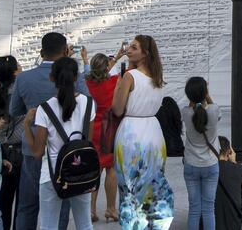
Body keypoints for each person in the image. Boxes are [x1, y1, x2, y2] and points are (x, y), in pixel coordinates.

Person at [9, 32, 89, 230]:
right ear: (65, 51)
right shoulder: (74, 77)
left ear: (41, 51)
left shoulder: (24, 78)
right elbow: (85, 106)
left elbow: (14, 111)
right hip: (65, 150)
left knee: (27, 205)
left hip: (33, 146)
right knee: (61, 204)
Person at [24, 58, 95, 230]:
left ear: (51, 78)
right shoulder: (89, 103)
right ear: (76, 77)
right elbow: (88, 142)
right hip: (81, 172)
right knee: (85, 223)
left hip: (52, 174)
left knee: (49, 225)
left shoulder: (44, 109)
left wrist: (27, 124)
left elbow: (37, 152)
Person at [111, 35, 174, 228]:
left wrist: (118, 85)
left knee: (130, 186)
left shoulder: (130, 76)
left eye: (134, 48)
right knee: (153, 184)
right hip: (154, 133)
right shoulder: (157, 77)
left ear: (145, 54)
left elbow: (117, 109)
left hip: (132, 133)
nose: (129, 50)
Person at [0, 56, 24, 230]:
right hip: (19, 150)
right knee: (22, 197)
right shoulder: (18, 92)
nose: (21, 66)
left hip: (2, 149)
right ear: (13, 72)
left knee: (5, 193)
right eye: (18, 65)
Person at [85, 53, 119, 223]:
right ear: (107, 67)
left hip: (92, 127)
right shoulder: (114, 82)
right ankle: (111, 208)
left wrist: (116, 57)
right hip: (108, 128)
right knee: (111, 169)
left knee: (94, 170)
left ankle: (91, 210)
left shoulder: (86, 82)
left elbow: (102, 71)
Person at [182, 76, 220, 230]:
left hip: (191, 164)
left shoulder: (185, 112)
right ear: (205, 92)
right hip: (210, 164)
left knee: (194, 208)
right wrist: (206, 94)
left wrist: (196, 96)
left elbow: (192, 106)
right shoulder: (214, 110)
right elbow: (212, 107)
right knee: (208, 208)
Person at [215, 136, 242, 230]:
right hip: (233, 224)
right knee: (241, 187)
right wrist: (234, 162)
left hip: (210, 223)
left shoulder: (207, 169)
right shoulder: (238, 168)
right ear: (229, 151)